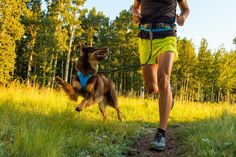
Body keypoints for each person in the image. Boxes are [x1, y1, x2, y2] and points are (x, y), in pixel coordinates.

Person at [132, 0, 190, 151]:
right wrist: (134, 13)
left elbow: (185, 8)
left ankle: (161, 133)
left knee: (163, 77)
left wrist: (184, 17)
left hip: (167, 35)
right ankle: (168, 96)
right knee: (151, 87)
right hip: (145, 36)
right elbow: (135, 6)